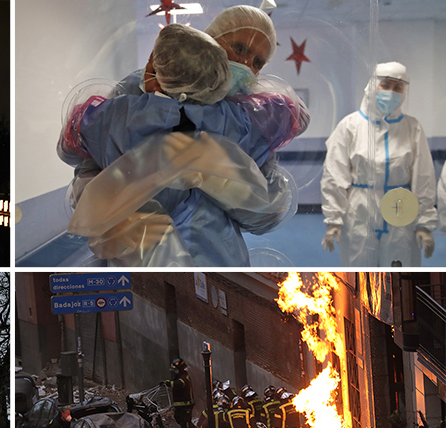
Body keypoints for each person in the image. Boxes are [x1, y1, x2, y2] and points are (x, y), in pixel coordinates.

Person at [61, 7, 307, 266]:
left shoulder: (251, 117)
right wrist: (121, 220)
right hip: (141, 256)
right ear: (210, 40)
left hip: (217, 256)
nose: (246, 65)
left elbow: (266, 213)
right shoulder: (142, 88)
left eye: (258, 62)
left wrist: (230, 184)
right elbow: (87, 169)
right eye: (239, 48)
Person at [321, 61, 436, 267]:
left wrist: (424, 224)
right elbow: (334, 174)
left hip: (401, 208)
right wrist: (333, 219)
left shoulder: (412, 128)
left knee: (400, 266)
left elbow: (424, 177)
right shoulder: (350, 126)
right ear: (373, 86)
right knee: (359, 266)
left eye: (398, 88)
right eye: (386, 85)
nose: (391, 92)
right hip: (360, 210)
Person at [164, 357, 194, 428]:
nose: (174, 370)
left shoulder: (184, 376)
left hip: (186, 404)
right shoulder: (178, 375)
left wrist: (169, 383)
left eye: (175, 368)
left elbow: (180, 384)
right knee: (178, 418)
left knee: (185, 421)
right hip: (180, 405)